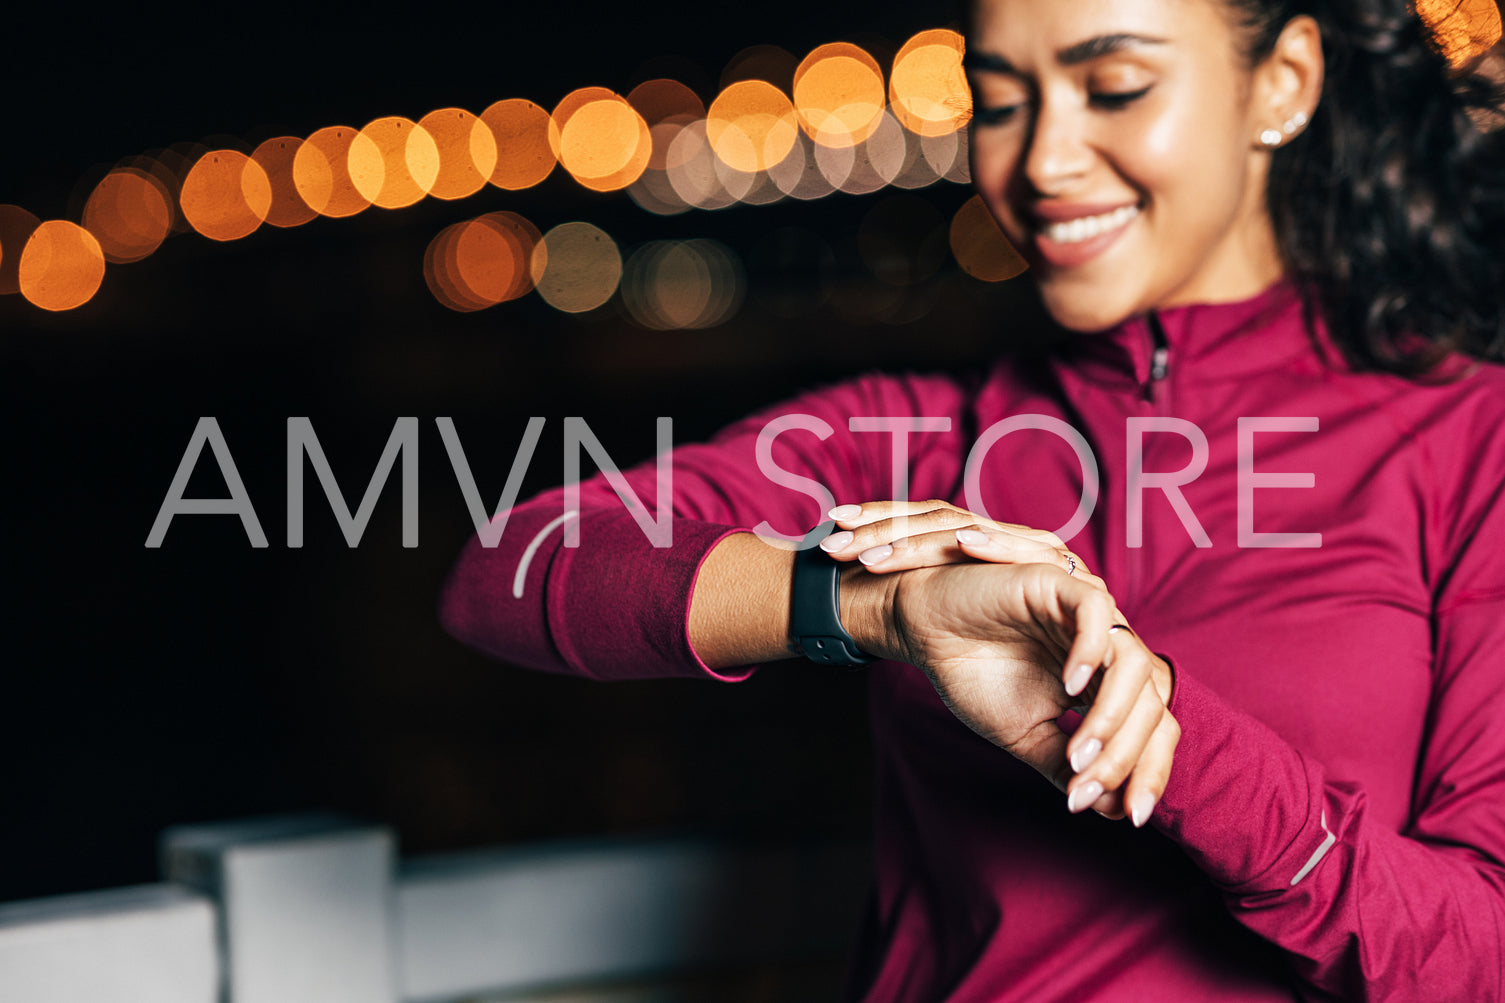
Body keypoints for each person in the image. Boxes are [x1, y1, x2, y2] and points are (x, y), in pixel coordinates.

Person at [439, 0, 1505, 998]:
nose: (1036, 161)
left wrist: (1180, 753)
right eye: (997, 101)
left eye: (1115, 85)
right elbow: (511, 569)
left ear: (1280, 82)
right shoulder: (915, 439)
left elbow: (1482, 952)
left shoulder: (1468, 444)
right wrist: (868, 605)